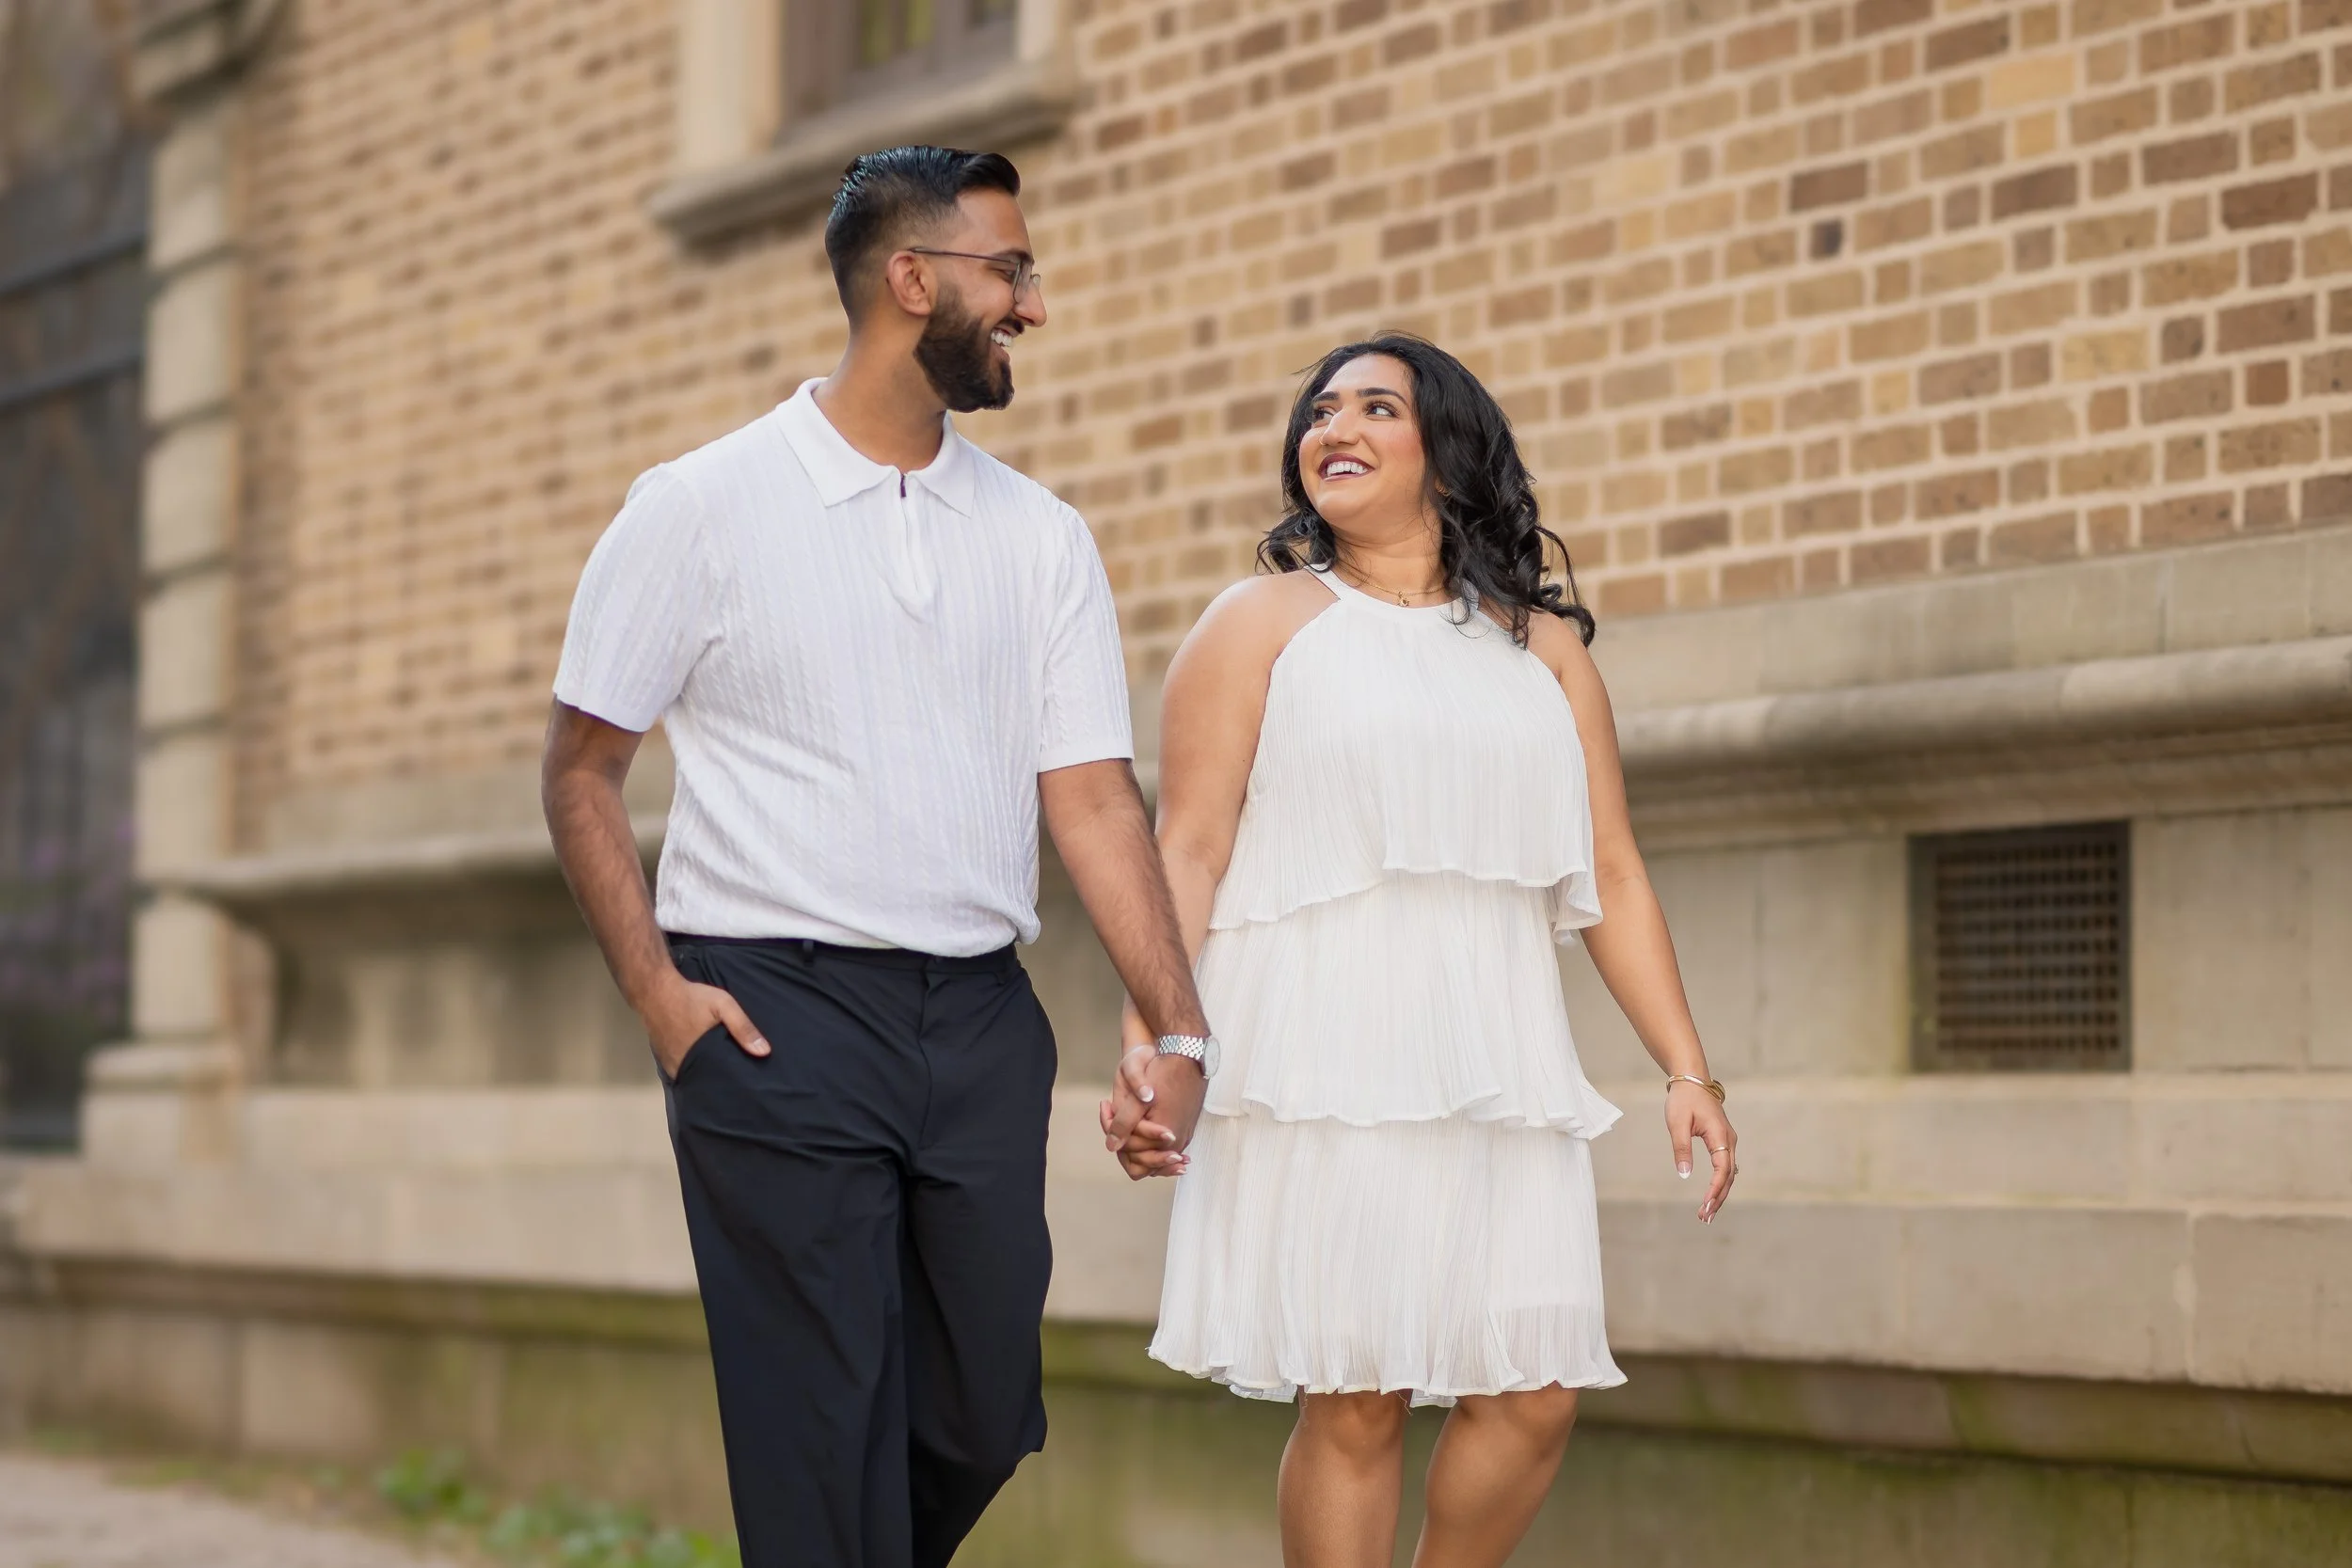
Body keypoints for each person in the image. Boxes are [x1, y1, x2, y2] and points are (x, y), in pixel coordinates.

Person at [541, 146, 1216, 1568]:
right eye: (1009, 270)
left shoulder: (1040, 539)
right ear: (913, 281)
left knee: (982, 1407)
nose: (1031, 302)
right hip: (773, 1015)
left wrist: (1180, 1022)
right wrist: (663, 1000)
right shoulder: (699, 506)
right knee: (819, 1420)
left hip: (977, 1020)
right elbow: (583, 773)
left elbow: (1095, 800)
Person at [1102, 334, 1740, 1567]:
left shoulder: (1543, 649)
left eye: (1375, 407)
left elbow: (1609, 867)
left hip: (1499, 1068)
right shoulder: (1261, 622)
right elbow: (1183, 849)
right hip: (1322, 1058)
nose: (1333, 426)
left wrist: (1688, 1071)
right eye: (1320, 411)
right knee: (1356, 1390)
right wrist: (1157, 1043)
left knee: (1536, 1388)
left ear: (1446, 453)